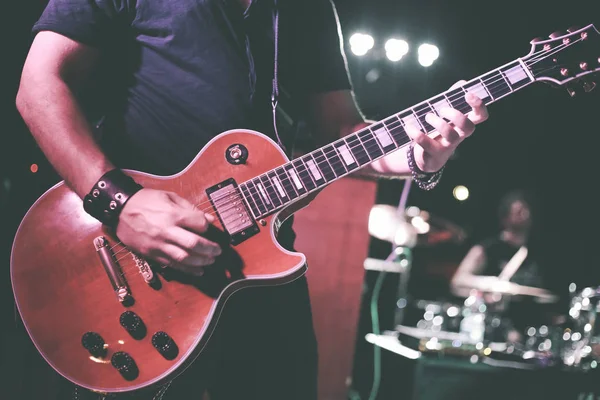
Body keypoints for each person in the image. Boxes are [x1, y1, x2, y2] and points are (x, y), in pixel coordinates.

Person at [15, 0, 489, 398]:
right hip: (131, 259)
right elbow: (39, 86)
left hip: (260, 267)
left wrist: (418, 153)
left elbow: (342, 131)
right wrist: (121, 204)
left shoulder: (307, 10)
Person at [450, 190, 553, 341]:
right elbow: (458, 281)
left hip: (527, 326)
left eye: (526, 210)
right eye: (518, 211)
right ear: (505, 217)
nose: (525, 215)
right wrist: (490, 284)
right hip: (491, 326)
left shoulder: (537, 253)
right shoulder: (488, 249)